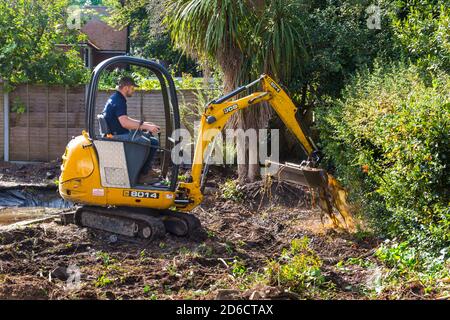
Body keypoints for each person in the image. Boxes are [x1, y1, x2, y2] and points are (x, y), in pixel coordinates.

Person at [102, 76, 161, 184]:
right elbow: (125, 123)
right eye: (132, 88)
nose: (133, 91)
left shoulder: (116, 98)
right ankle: (142, 175)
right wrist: (146, 127)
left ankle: (145, 171)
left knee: (152, 140)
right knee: (148, 142)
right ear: (126, 88)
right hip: (118, 137)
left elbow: (125, 119)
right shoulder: (119, 101)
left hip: (118, 134)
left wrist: (145, 124)